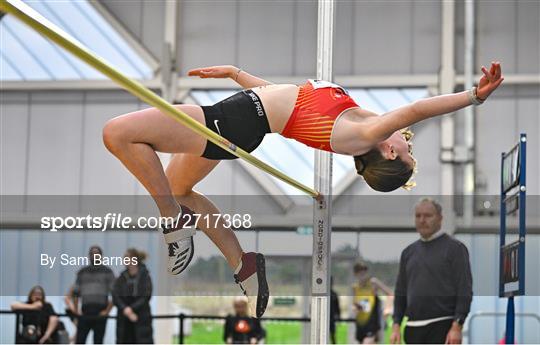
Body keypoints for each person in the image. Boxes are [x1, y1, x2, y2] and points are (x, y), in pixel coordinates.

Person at [102, 62, 503, 318]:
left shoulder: (366, 132)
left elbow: (416, 109)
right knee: (178, 185)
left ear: (389, 151)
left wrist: (473, 96)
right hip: (245, 116)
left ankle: (173, 220)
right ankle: (244, 265)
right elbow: (284, 97)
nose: (409, 143)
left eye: (408, 153)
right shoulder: (355, 115)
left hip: (235, 118)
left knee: (118, 134)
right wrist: (237, 73)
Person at [390, 198, 473, 344]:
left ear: (440, 219)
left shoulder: (455, 249)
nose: (422, 220)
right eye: (418, 216)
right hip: (412, 328)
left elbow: (464, 289)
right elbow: (401, 291)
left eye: (428, 216)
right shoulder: (408, 253)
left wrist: (457, 326)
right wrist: (396, 325)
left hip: (443, 327)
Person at [67, 245, 115, 344]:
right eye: (92, 254)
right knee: (80, 341)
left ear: (101, 256)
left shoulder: (107, 272)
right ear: (89, 256)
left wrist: (106, 311)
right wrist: (77, 311)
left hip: (100, 312)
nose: (94, 256)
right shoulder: (82, 272)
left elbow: (115, 294)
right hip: (85, 312)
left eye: (97, 253)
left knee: (98, 341)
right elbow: (75, 293)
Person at [112, 248, 154, 344]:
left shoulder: (145, 276)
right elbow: (115, 296)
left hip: (141, 317)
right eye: (125, 258)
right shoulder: (121, 277)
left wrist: (131, 309)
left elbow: (146, 296)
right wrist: (125, 310)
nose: (125, 260)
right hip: (124, 319)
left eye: (128, 257)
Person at [352, 262, 393, 344]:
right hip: (360, 323)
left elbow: (390, 294)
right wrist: (355, 308)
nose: (362, 276)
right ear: (355, 274)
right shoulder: (355, 287)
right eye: (360, 273)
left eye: (364, 273)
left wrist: (388, 309)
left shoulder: (373, 283)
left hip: (373, 323)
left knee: (367, 342)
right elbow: (356, 305)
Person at [330, 277, 341, 344]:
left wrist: (338, 317)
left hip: (332, 318)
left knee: (333, 335)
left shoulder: (334, 294)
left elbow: (337, 307)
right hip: (323, 318)